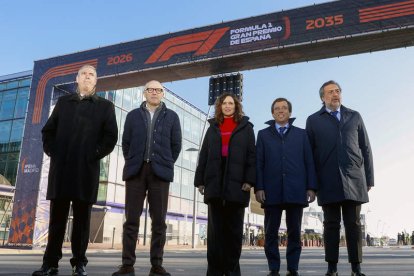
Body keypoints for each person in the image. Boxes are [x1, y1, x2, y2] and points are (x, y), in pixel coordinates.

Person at [33, 65, 118, 276]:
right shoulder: (63, 103)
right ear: (76, 79)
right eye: (84, 74)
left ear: (96, 81)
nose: (87, 77)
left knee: (82, 223)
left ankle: (79, 264)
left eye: (91, 75)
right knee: (57, 221)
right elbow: (48, 131)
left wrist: (93, 153)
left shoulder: (105, 106)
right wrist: (54, 151)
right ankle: (50, 264)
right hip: (61, 170)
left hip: (86, 171)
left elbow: (110, 137)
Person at [112, 80, 182, 276]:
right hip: (136, 172)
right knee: (131, 220)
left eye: (158, 90)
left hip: (160, 173)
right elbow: (126, 143)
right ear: (144, 93)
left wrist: (164, 162)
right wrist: (135, 160)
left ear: (163, 94)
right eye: (150, 89)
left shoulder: (172, 117)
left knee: (159, 221)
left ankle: (157, 265)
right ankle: (127, 265)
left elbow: (176, 146)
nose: (154, 92)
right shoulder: (133, 115)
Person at [306, 80, 374, 276]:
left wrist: (369, 178)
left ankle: (356, 268)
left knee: (353, 225)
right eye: (330, 92)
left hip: (354, 178)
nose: (335, 95)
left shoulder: (355, 116)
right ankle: (332, 268)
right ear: (322, 97)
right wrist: (311, 184)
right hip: (327, 180)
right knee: (331, 225)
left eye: (337, 91)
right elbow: (309, 155)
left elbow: (366, 148)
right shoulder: (313, 120)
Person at [194, 93, 256, 276]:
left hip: (237, 186)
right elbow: (204, 154)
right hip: (215, 184)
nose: (228, 106)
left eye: (231, 103)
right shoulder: (212, 127)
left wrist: (249, 180)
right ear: (219, 107)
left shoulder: (246, 127)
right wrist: (200, 181)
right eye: (224, 103)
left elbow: (252, 156)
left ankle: (231, 270)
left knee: (234, 233)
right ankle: (214, 271)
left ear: (236, 106)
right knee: (215, 234)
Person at [255, 98, 317, 276]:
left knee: (294, 233)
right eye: (277, 108)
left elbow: (309, 162)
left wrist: (311, 187)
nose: (280, 111)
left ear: (290, 112)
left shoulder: (301, 134)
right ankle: (273, 269)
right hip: (271, 191)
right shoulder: (263, 135)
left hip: (296, 190)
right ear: (272, 113)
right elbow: (258, 163)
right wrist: (259, 187)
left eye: (284, 108)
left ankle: (293, 268)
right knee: (271, 233)